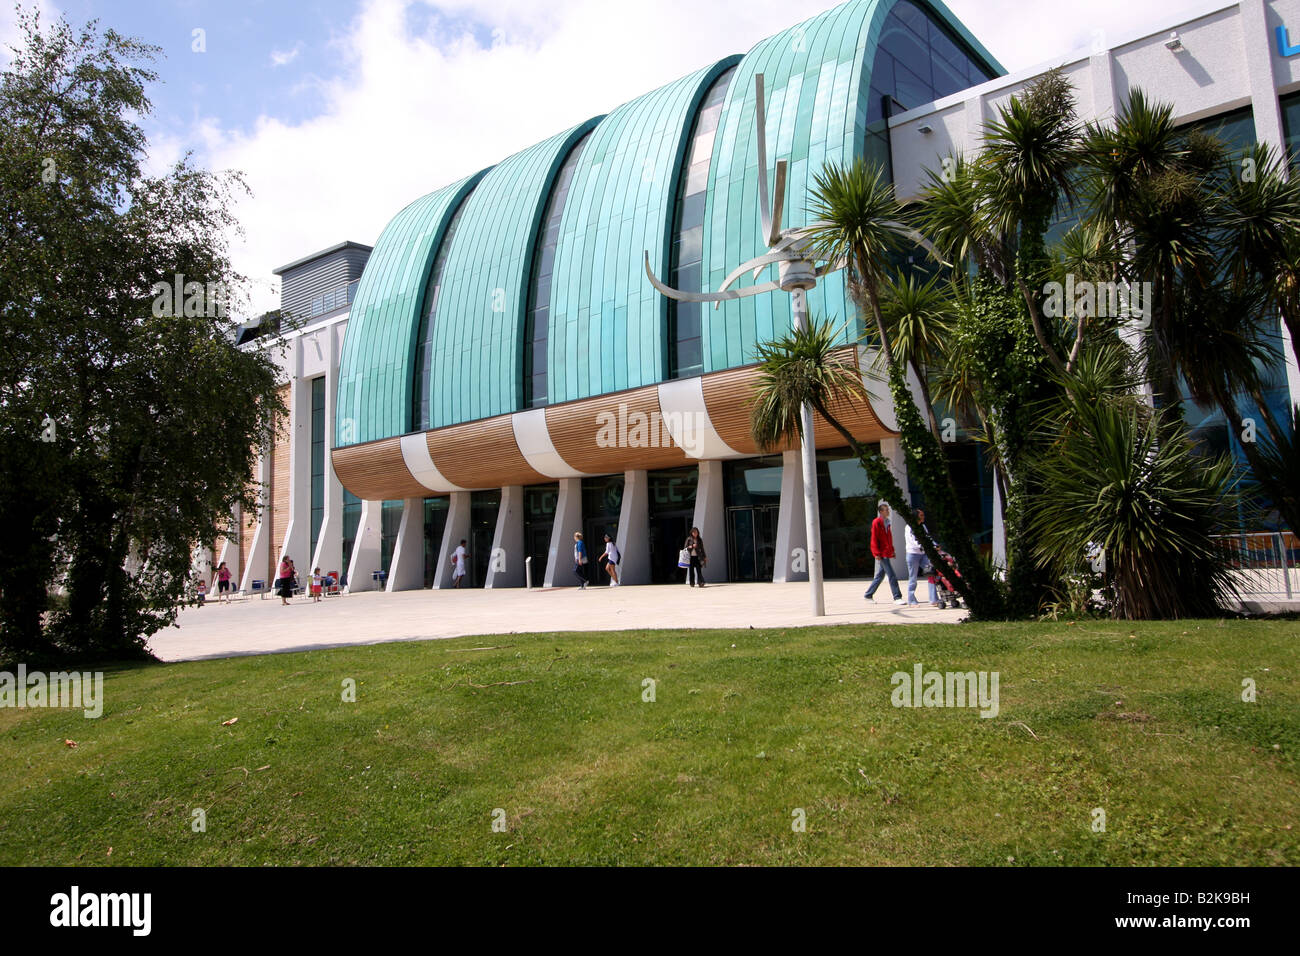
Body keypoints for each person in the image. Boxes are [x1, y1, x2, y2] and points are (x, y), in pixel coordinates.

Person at [864, 502, 905, 605]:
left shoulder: (887, 522)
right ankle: (897, 597)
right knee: (892, 575)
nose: (888, 512)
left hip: (886, 552)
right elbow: (874, 539)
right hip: (881, 554)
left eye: (888, 510)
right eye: (886, 510)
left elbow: (888, 538)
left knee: (880, 576)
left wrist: (892, 551)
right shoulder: (876, 522)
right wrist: (876, 553)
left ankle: (868, 595)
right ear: (881, 511)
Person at [904, 508, 939, 607]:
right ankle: (911, 600)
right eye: (921, 515)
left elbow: (928, 537)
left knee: (931, 573)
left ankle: (933, 599)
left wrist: (935, 545)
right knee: (913, 577)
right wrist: (923, 546)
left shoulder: (923, 526)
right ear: (916, 516)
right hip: (912, 554)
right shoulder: (909, 527)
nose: (923, 517)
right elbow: (913, 541)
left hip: (923, 554)